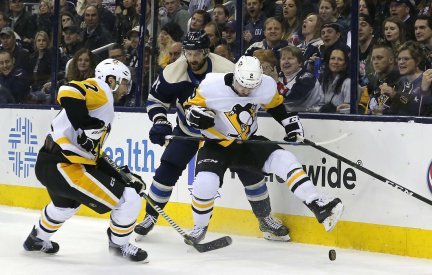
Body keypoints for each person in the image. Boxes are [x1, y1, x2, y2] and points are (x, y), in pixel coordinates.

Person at [134, 30, 291, 242]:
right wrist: (160, 121)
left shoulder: (227, 69)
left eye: (197, 53)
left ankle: (265, 218)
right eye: (188, 53)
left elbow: (250, 97)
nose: (192, 58)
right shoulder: (173, 72)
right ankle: (150, 216)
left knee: (251, 172)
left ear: (206, 52)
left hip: (224, 135)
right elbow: (155, 101)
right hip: (189, 131)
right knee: (167, 170)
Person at [182, 56, 344, 243]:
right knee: (205, 183)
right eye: (242, 86)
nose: (245, 91)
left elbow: (275, 105)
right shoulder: (211, 86)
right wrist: (195, 116)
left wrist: (290, 125)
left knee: (285, 159)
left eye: (251, 88)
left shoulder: (264, 86)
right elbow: (189, 107)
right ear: (235, 76)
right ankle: (199, 227)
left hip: (248, 142)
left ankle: (317, 204)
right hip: (216, 144)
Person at [22, 58, 149, 262]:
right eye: (125, 82)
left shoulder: (100, 105)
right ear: (111, 79)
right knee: (128, 198)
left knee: (65, 206)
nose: (127, 88)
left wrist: (121, 175)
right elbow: (67, 91)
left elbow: (92, 155)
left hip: (50, 163)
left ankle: (37, 239)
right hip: (65, 168)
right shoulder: (102, 91)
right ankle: (119, 245)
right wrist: (86, 124)